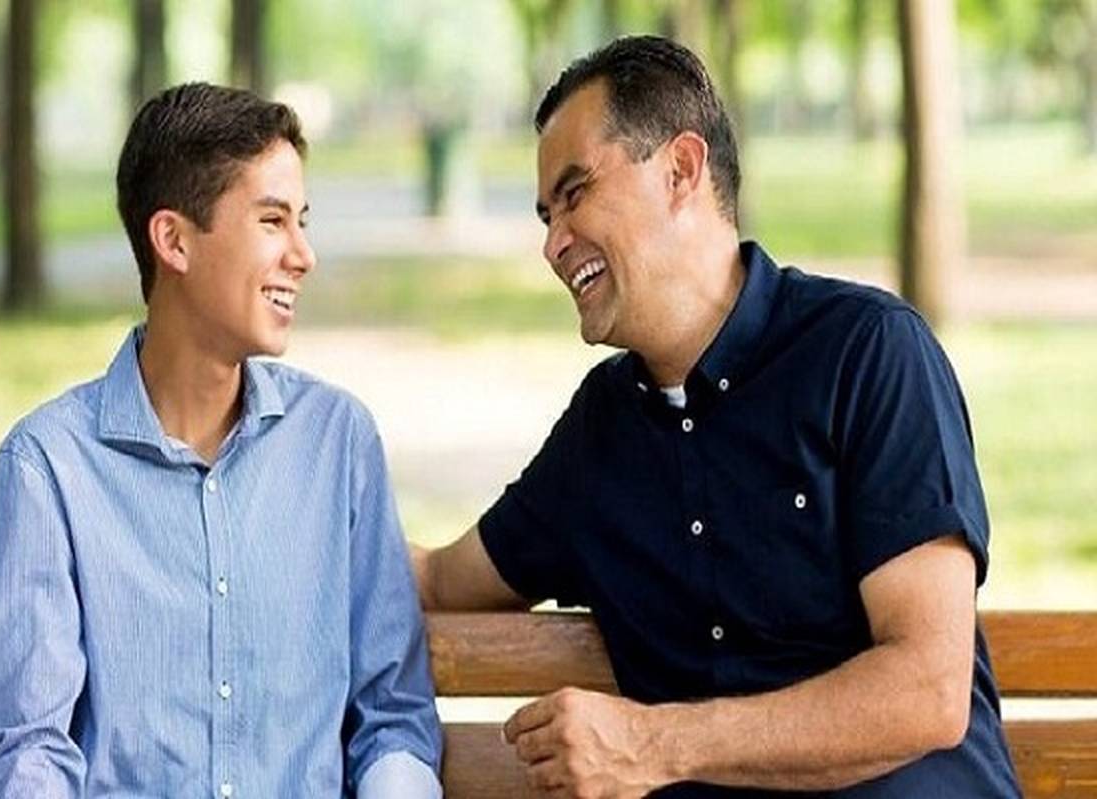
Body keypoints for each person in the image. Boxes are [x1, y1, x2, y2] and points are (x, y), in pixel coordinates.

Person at [412, 36, 1019, 798]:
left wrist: (652, 743)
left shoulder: (867, 352)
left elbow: (926, 689)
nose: (553, 243)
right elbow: (438, 578)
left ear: (681, 170)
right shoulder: (599, 435)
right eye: (545, 215)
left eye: (575, 193)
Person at [0, 82, 442, 798]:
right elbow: (28, 747)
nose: (304, 255)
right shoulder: (48, 467)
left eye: (301, 221)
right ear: (174, 240)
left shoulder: (338, 442)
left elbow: (393, 716)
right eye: (273, 220)